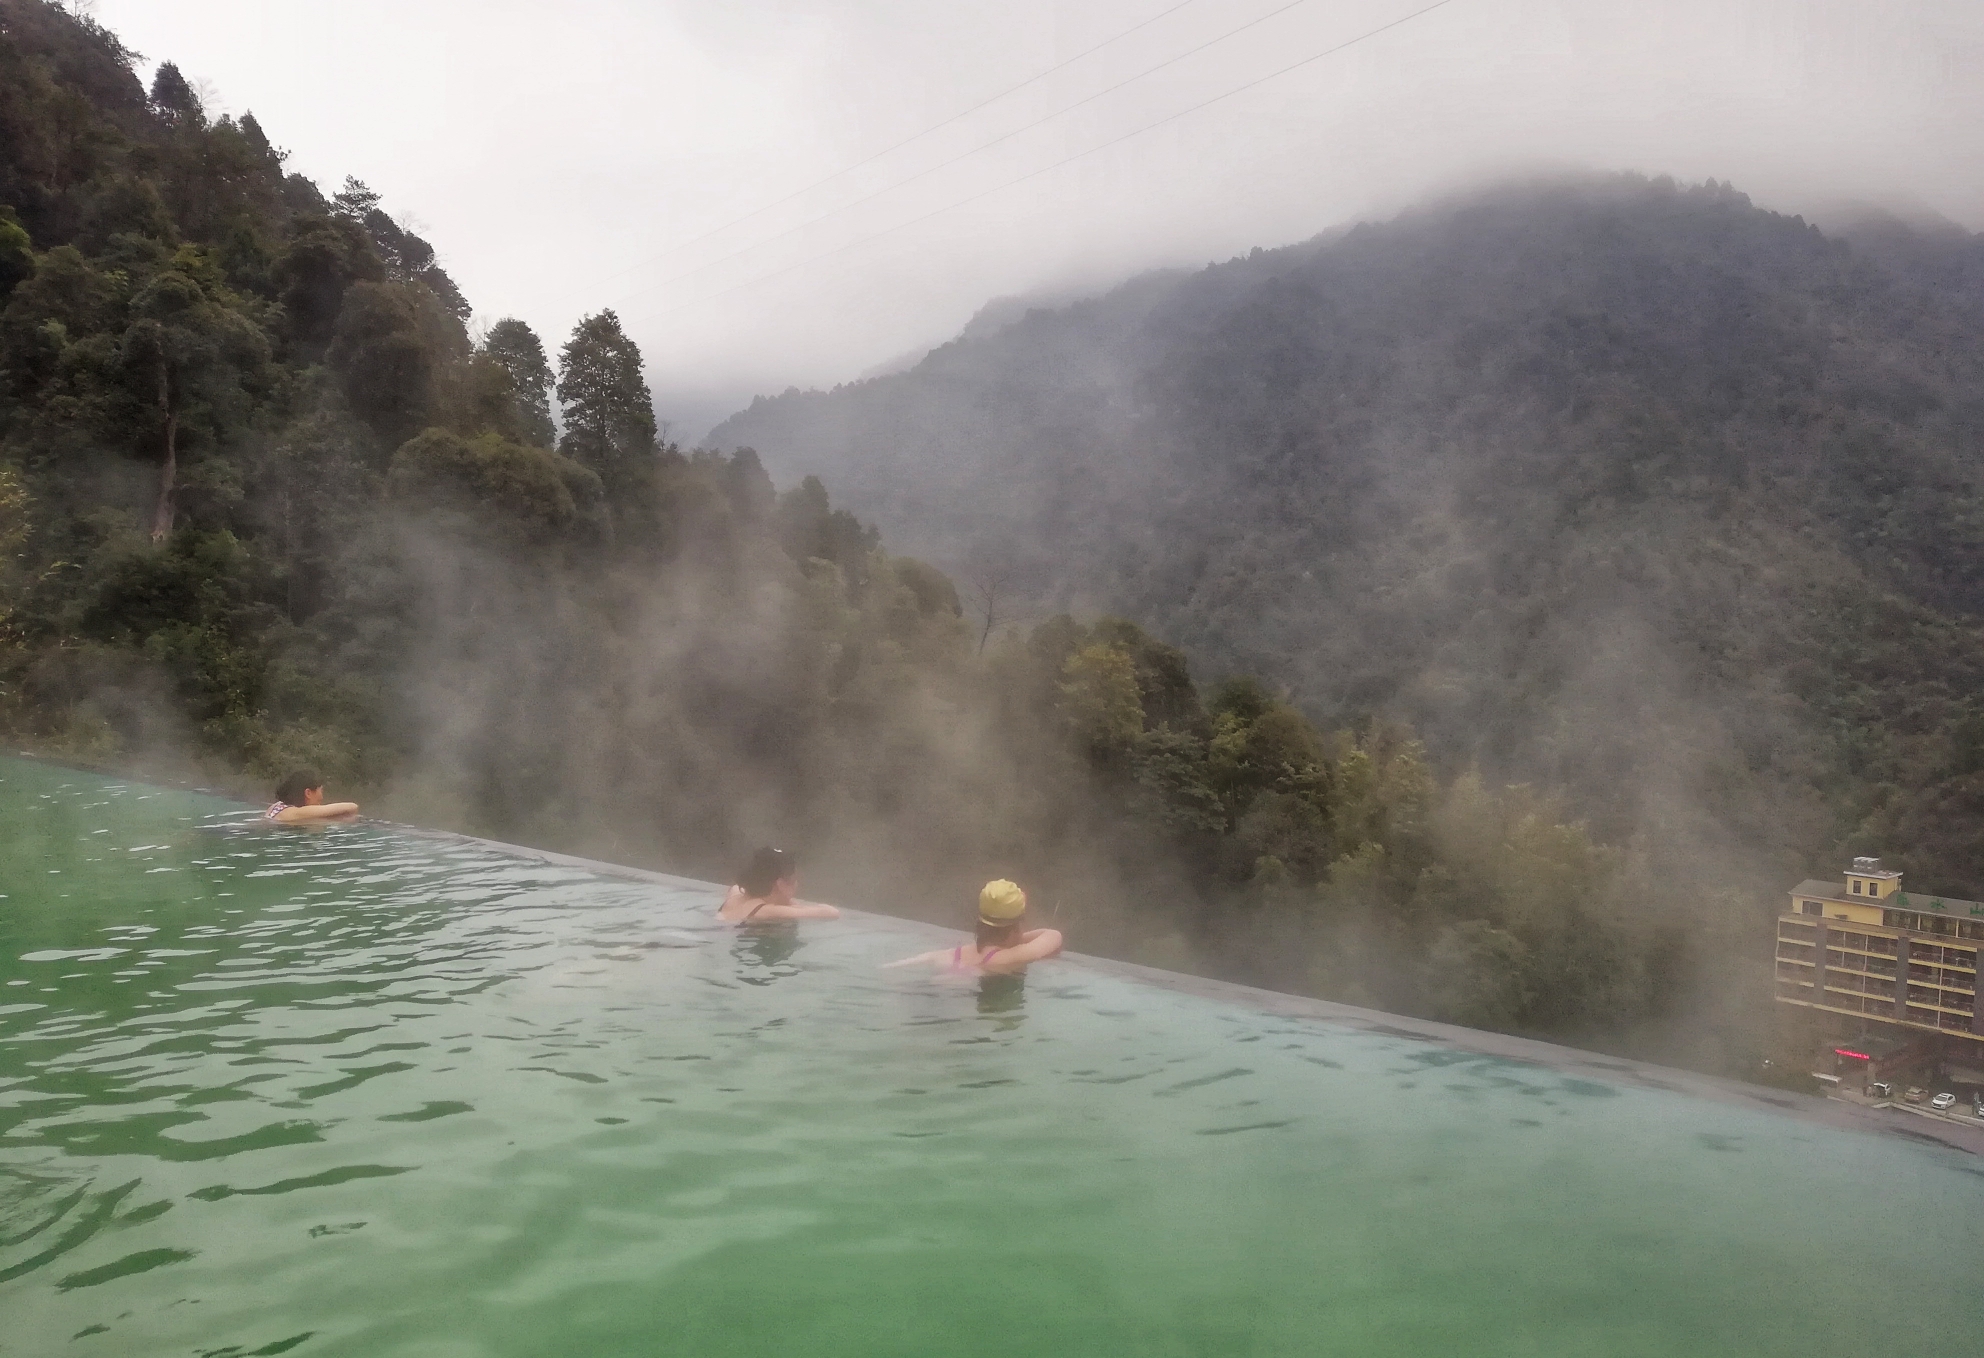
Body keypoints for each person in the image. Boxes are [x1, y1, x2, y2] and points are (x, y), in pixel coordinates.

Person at [886, 879, 1062, 976]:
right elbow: (1053, 935)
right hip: (951, 999)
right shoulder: (1005, 957)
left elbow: (923, 958)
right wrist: (1019, 940)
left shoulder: (957, 952)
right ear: (1014, 928)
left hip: (934, 988)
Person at [717, 847, 841, 923]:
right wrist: (792, 904)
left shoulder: (735, 893)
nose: (797, 884)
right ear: (781, 884)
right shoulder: (768, 911)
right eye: (794, 879)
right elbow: (831, 913)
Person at [264, 768, 360, 824]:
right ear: (308, 793)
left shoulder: (276, 806)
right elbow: (352, 807)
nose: (322, 797)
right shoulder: (299, 812)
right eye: (321, 791)